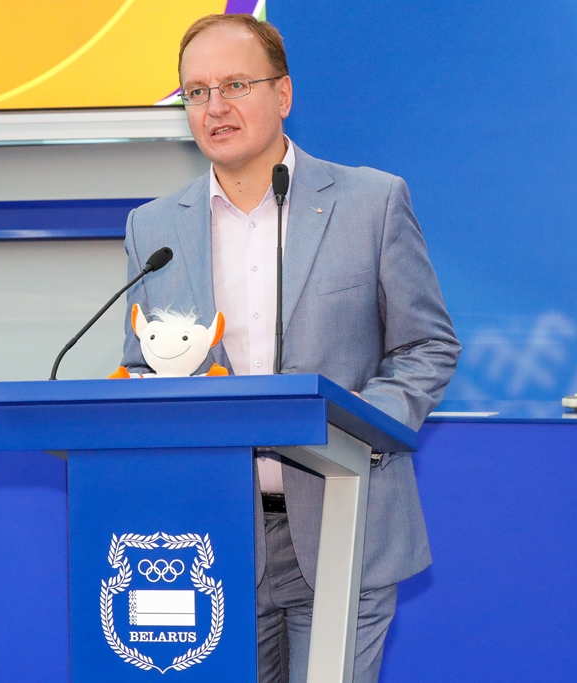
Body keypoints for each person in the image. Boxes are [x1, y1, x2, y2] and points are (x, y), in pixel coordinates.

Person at [118, 13, 460, 683]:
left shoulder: (371, 202)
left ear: (283, 94)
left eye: (235, 85)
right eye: (196, 92)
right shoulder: (152, 227)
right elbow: (140, 366)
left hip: (344, 523)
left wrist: (361, 424)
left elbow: (427, 343)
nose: (214, 107)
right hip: (211, 539)